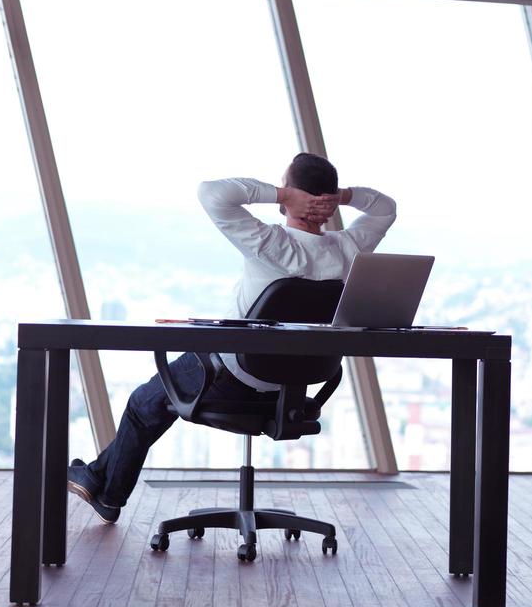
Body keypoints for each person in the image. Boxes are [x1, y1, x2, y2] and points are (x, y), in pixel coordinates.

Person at [67, 153, 396, 522]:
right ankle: (97, 478)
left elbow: (212, 193)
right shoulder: (348, 250)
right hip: (293, 389)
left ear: (294, 196)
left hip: (231, 375)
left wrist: (279, 194)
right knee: (154, 400)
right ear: (328, 200)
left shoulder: (271, 243)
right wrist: (344, 196)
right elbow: (386, 208)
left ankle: (108, 494)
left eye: (288, 188)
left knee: (144, 404)